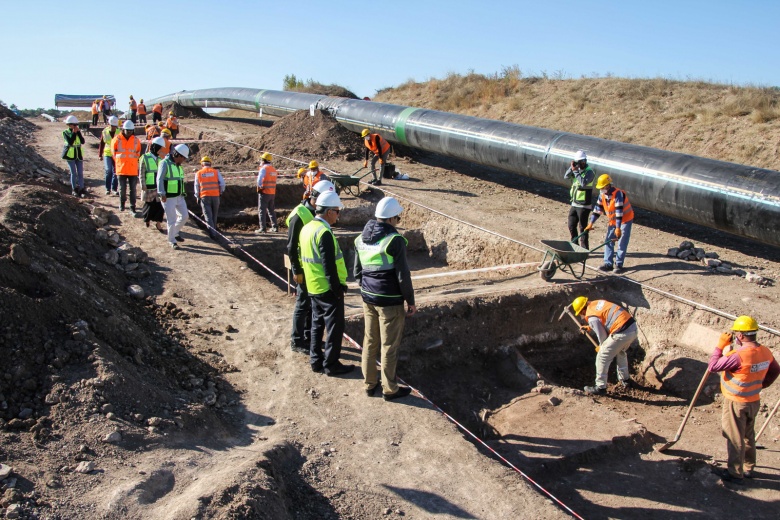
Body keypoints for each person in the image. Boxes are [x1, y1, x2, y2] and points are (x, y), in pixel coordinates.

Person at [354, 197, 416, 401]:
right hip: (389, 301)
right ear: (391, 218)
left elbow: (357, 271)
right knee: (389, 346)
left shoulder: (360, 238)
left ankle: (369, 384)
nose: (398, 220)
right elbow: (402, 275)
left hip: (368, 298)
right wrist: (410, 300)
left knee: (370, 341)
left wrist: (366, 289)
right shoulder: (394, 240)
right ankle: (390, 389)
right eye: (397, 217)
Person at [708, 316, 779, 483]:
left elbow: (713, 366)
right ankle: (748, 467)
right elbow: (775, 370)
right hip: (753, 400)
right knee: (748, 435)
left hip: (736, 402)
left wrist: (720, 346)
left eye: (735, 333)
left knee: (734, 436)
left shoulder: (739, 355)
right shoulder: (765, 351)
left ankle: (735, 472)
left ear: (740, 336)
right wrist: (762, 385)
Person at [299, 190, 354, 376]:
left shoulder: (306, 228)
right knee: (334, 328)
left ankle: (315, 361)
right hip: (328, 289)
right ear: (329, 212)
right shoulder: (324, 233)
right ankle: (331, 365)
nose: (338, 215)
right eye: (337, 211)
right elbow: (328, 265)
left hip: (313, 286)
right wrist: (337, 288)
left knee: (316, 325)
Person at [287, 180, 336, 354]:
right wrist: (296, 270)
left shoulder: (315, 214)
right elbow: (291, 246)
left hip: (313, 270)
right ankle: (297, 340)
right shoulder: (299, 215)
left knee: (312, 305)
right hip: (303, 268)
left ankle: (309, 338)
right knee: (302, 304)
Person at [571, 296, 637, 395]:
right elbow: (604, 319)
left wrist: (602, 347)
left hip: (621, 332)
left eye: (580, 313)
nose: (581, 316)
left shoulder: (591, 316)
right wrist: (589, 327)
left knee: (602, 357)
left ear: (582, 310)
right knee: (620, 352)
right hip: (632, 328)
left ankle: (600, 387)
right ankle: (625, 380)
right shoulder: (596, 303)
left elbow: (602, 335)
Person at [584, 174, 634, 275]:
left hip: (624, 220)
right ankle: (608, 264)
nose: (601, 189)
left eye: (602, 187)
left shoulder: (618, 194)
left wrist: (618, 228)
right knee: (608, 241)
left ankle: (619, 265)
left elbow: (619, 213)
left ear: (607, 186)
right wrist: (591, 223)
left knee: (622, 242)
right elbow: (597, 210)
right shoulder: (602, 195)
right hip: (613, 221)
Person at [157, 144, 190, 249]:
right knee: (171, 220)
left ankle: (174, 233)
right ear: (178, 155)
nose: (184, 160)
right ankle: (172, 241)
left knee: (184, 216)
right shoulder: (165, 163)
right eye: (184, 157)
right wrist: (162, 193)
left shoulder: (178, 165)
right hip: (168, 197)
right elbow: (160, 179)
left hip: (179, 196)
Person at [564, 150, 596, 249]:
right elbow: (566, 176)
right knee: (571, 225)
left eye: (582, 162)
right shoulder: (576, 170)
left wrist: (576, 171)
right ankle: (574, 245)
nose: (580, 164)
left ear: (585, 161)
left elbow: (583, 183)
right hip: (574, 203)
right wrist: (572, 168)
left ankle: (584, 249)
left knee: (583, 228)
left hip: (584, 205)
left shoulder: (590, 172)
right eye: (578, 162)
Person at [111, 120, 142, 213]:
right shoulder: (116, 139)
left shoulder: (136, 140)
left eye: (131, 131)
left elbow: (138, 153)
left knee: (133, 190)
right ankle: (122, 203)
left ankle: (133, 206)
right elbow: (114, 154)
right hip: (121, 169)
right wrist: (120, 162)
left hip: (132, 169)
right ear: (123, 129)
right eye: (127, 130)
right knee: (122, 188)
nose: (129, 132)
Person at [138, 136, 167, 233]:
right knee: (149, 204)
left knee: (160, 205)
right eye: (159, 147)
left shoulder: (160, 159)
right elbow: (141, 172)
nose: (160, 150)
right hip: (149, 186)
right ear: (154, 147)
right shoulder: (145, 157)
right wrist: (143, 184)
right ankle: (147, 219)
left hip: (158, 186)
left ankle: (158, 223)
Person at [194, 156, 225, 239]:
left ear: (202, 164)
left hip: (204, 196)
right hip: (215, 196)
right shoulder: (215, 172)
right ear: (210, 163)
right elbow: (222, 184)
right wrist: (220, 192)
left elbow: (196, 186)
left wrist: (197, 196)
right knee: (214, 215)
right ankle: (214, 230)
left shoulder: (199, 173)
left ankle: (212, 234)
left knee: (208, 216)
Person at [62, 115, 86, 197]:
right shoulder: (65, 132)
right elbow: (70, 142)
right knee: (73, 173)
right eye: (74, 125)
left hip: (78, 154)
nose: (76, 126)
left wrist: (78, 133)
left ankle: (82, 189)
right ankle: (74, 189)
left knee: (80, 173)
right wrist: (74, 133)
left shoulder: (78, 131)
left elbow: (82, 141)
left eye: (76, 125)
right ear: (69, 124)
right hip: (70, 155)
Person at [255, 153, 278, 233]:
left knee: (262, 210)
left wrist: (260, 187)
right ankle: (275, 227)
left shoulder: (264, 169)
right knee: (271, 210)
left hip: (264, 192)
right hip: (272, 192)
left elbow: (259, 180)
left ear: (264, 160)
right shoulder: (273, 169)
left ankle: (262, 228)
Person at [98, 116, 120, 195]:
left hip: (116, 154)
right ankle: (108, 188)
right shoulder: (104, 131)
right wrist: (100, 154)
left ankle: (114, 188)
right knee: (108, 171)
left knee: (116, 172)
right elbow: (102, 143)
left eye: (115, 126)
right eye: (112, 126)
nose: (113, 128)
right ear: (109, 124)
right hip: (107, 153)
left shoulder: (119, 132)